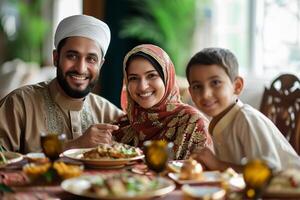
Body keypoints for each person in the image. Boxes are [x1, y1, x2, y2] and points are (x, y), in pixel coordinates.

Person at [0, 15, 124, 154]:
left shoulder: (107, 112)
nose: (81, 68)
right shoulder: (19, 104)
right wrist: (74, 145)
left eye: (91, 59)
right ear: (56, 58)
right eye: (72, 56)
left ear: (100, 65)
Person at [186, 47, 300, 172]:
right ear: (191, 92)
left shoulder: (246, 118)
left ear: (237, 86)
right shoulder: (217, 122)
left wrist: (217, 164)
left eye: (215, 82)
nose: (206, 94)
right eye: (197, 86)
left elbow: (267, 170)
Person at [113, 44, 213, 160]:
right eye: (134, 78)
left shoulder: (193, 124)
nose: (143, 86)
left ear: (167, 78)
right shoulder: (123, 125)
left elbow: (200, 175)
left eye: (151, 75)